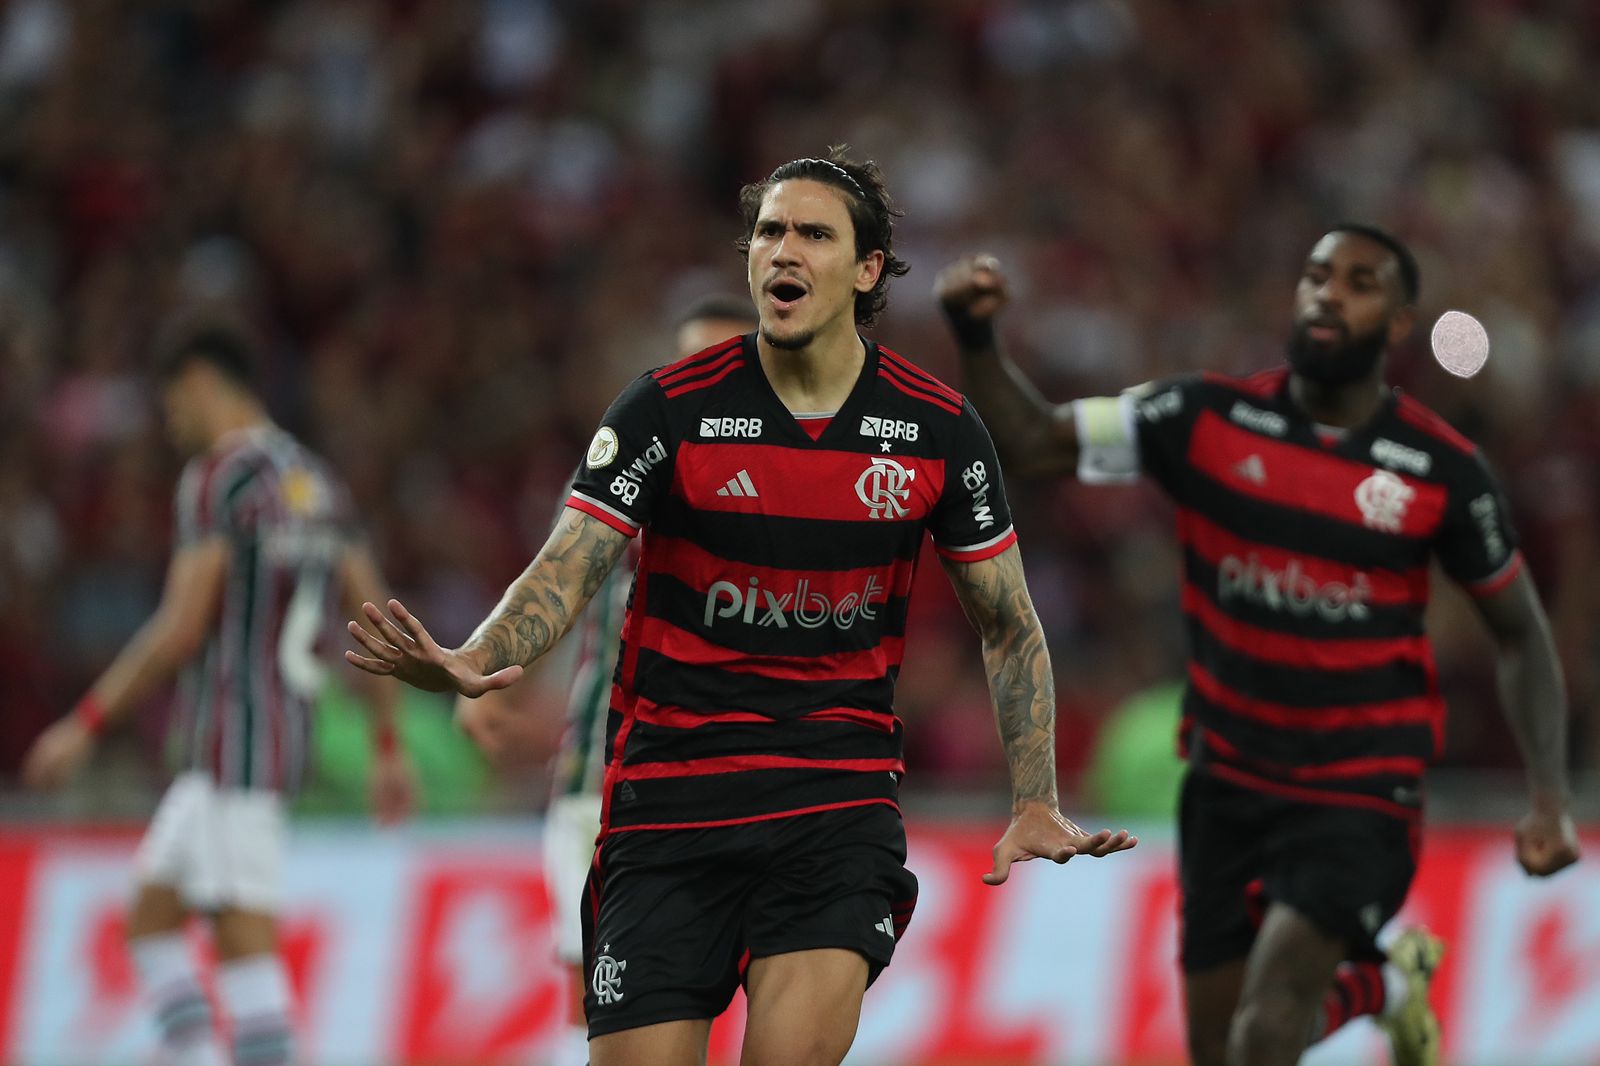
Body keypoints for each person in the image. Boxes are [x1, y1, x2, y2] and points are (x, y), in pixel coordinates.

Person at [348, 147, 1136, 1066]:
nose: (781, 252)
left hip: (832, 805)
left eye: (812, 234)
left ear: (867, 269)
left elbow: (1007, 623)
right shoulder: (667, 411)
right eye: (768, 233)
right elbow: (565, 569)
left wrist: (1035, 795)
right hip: (670, 808)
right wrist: (473, 658)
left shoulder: (937, 430)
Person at [935, 228, 1581, 1066]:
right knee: (1225, 1051)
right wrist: (978, 338)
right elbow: (1032, 441)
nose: (1327, 294)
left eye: (1358, 283)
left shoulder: (1440, 471)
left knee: (1266, 1033)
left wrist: (1548, 797)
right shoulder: (1202, 418)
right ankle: (1385, 984)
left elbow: (1521, 634)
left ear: (1396, 326)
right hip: (1226, 785)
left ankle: (1374, 981)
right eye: (1316, 275)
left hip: (1359, 791)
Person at [23, 324, 414, 1066]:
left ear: (202, 384)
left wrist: (86, 721)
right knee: (151, 923)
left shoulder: (219, 480)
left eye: (173, 403)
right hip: (261, 744)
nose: (172, 423)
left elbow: (179, 628)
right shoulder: (318, 483)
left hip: (235, 744)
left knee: (246, 953)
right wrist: (387, 746)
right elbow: (376, 615)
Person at [456, 293, 760, 1066]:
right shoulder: (627, 455)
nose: (708, 377)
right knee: (592, 998)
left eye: (728, 359)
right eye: (694, 359)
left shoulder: (780, 480)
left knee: (687, 1004)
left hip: (720, 786)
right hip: (605, 780)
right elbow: (558, 594)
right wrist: (491, 682)